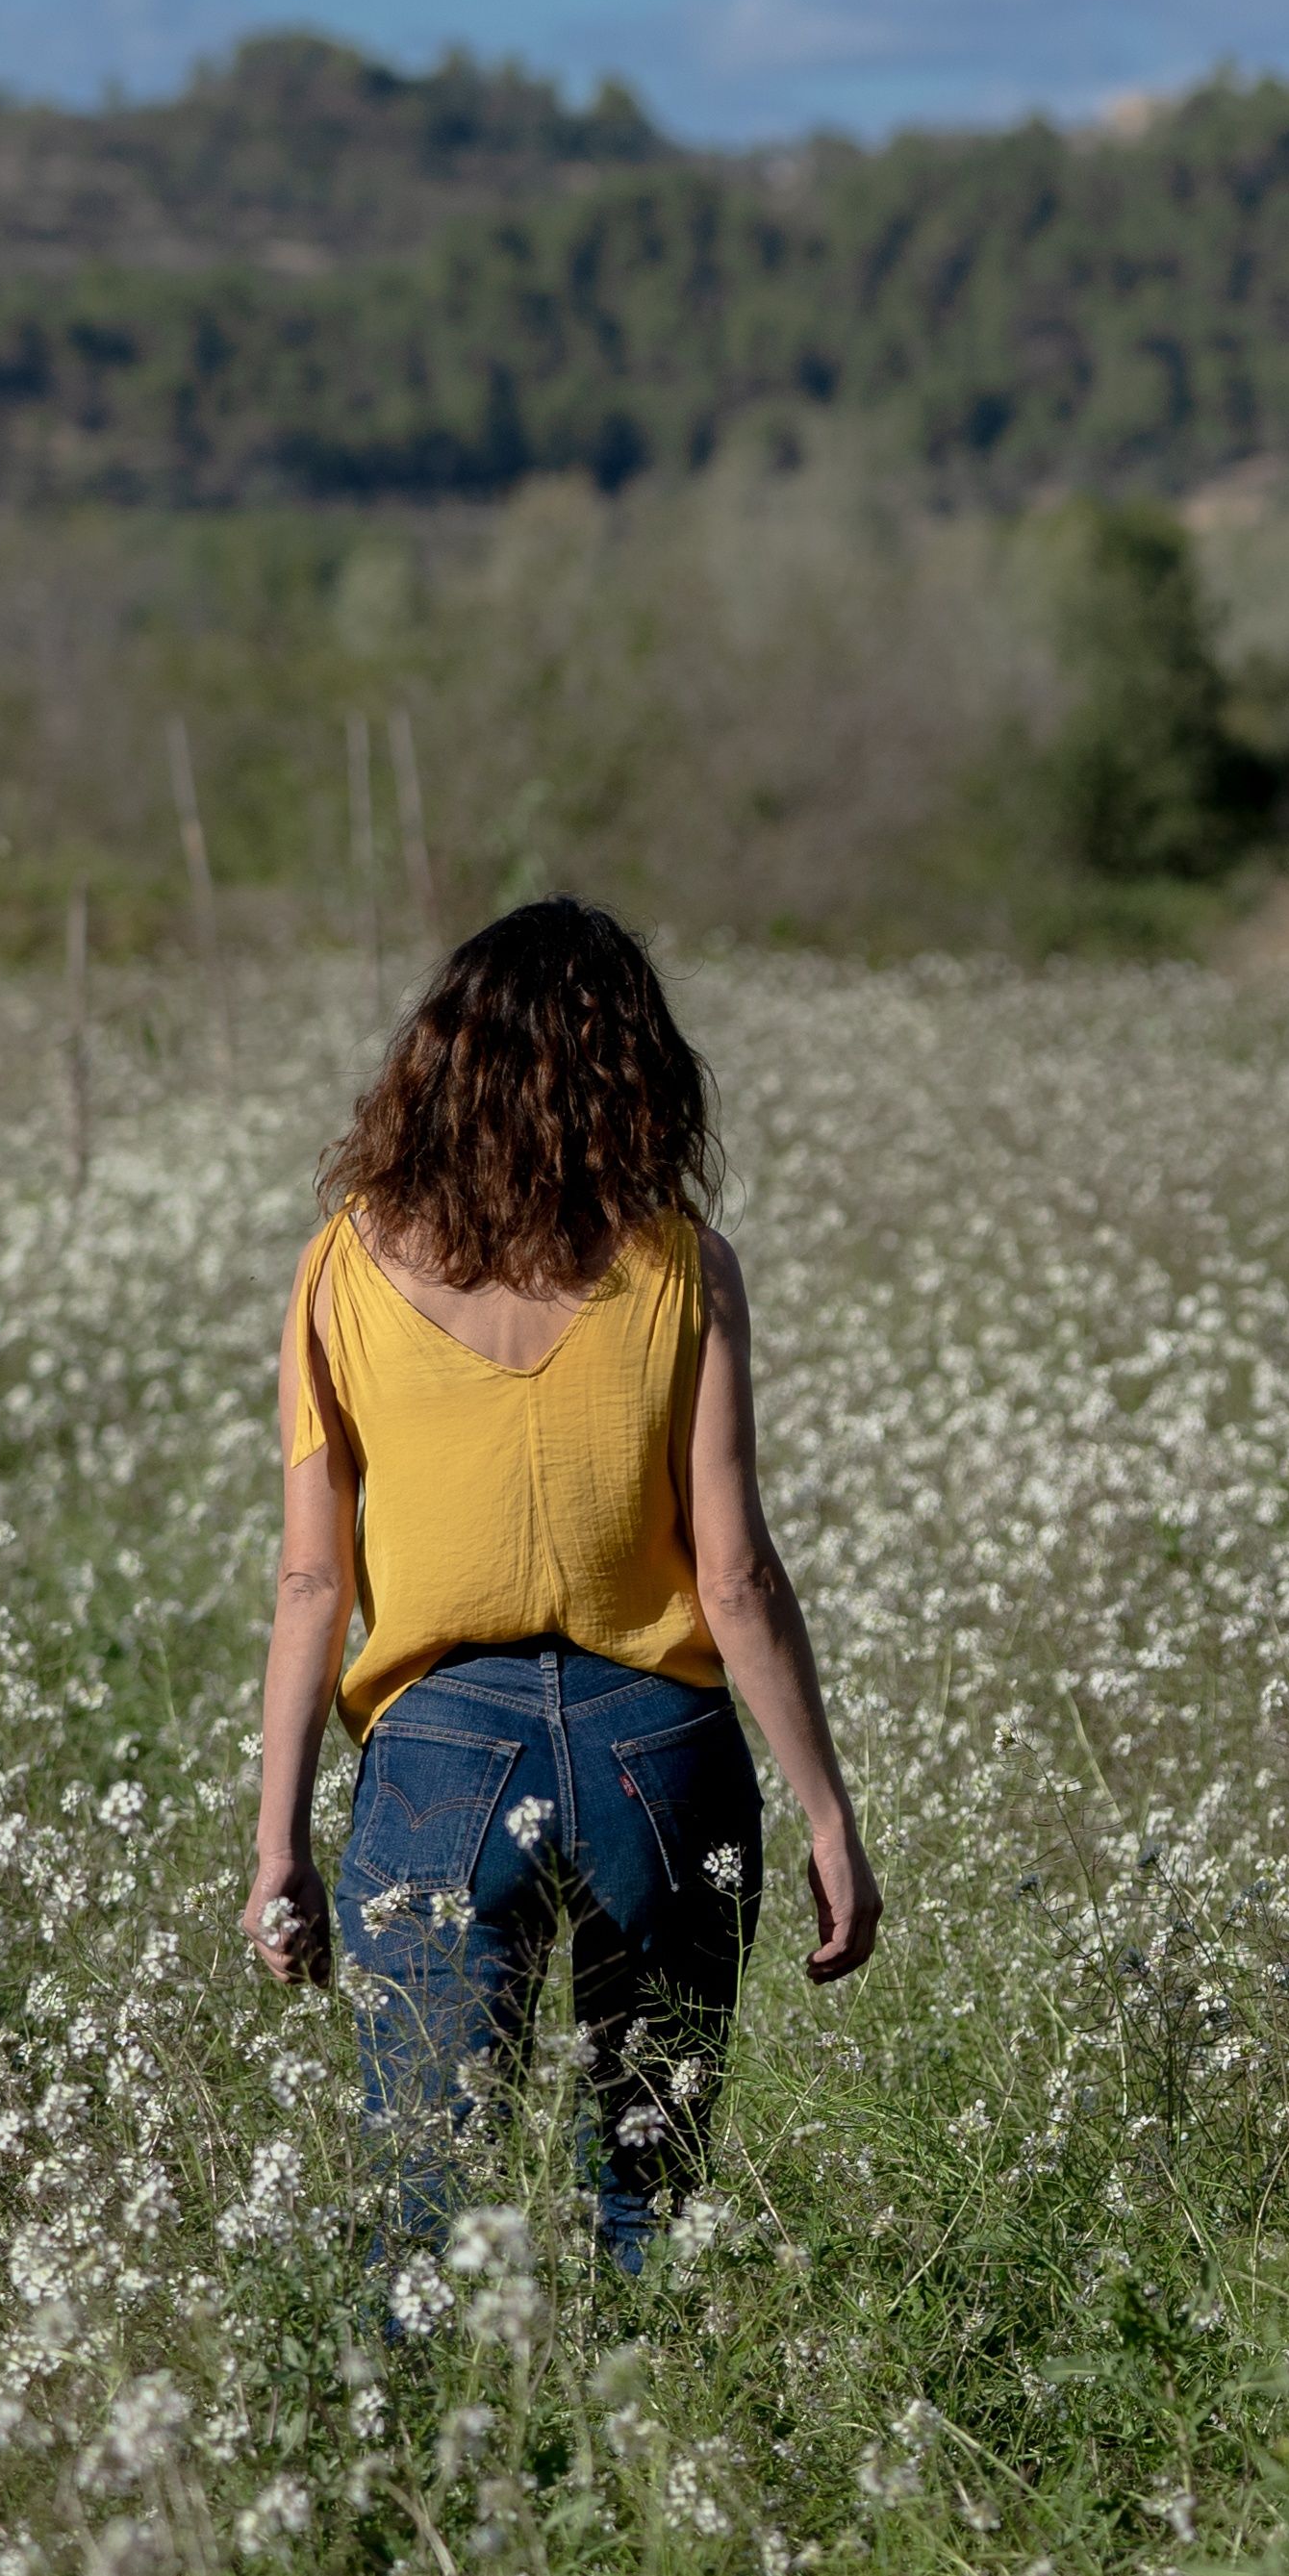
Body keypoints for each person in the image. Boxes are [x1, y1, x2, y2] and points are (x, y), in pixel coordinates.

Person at [240, 898, 879, 2276]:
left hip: (438, 1754)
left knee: (427, 2200)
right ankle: (648, 2456)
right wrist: (827, 1810)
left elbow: (310, 1576)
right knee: (656, 2179)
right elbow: (736, 1574)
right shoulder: (683, 1268)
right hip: (663, 1745)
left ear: (436, 1066)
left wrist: (278, 1837)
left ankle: (422, 2475)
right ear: (637, 1075)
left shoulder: (336, 1269)